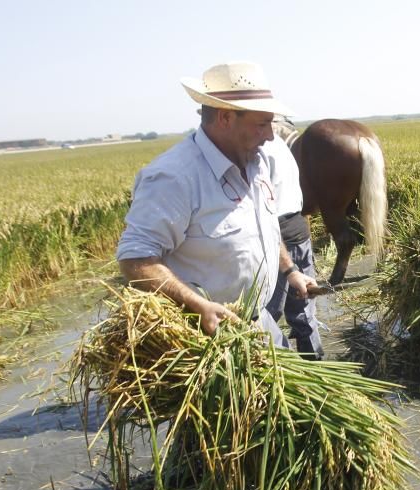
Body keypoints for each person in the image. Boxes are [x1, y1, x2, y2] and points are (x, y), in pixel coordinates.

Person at [116, 61, 317, 339]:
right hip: (210, 337)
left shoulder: (258, 163)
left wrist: (291, 270)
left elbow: (264, 227)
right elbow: (135, 259)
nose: (270, 135)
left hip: (261, 324)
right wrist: (196, 305)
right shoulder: (174, 178)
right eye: (262, 124)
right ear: (225, 118)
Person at [262, 132, 324, 358]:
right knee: (304, 310)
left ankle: (280, 371)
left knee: (267, 313)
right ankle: (315, 364)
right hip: (299, 232)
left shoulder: (256, 151)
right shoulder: (279, 144)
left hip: (278, 239)